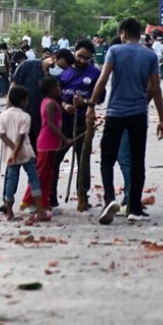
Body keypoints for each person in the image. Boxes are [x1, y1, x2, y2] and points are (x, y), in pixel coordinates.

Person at [87, 18, 163, 224]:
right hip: (138, 114)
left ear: (122, 33)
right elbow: (155, 89)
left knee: (107, 158)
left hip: (116, 113)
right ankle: (134, 208)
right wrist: (161, 119)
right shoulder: (150, 55)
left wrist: (91, 105)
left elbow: (103, 80)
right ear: (138, 33)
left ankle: (110, 200)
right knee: (138, 160)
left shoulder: (115, 51)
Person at [52, 39, 102, 212]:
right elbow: (53, 95)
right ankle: (51, 197)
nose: (81, 60)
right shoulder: (62, 71)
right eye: (80, 56)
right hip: (61, 123)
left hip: (83, 123)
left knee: (83, 161)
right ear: (74, 52)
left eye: (86, 58)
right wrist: (65, 105)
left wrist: (86, 102)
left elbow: (100, 97)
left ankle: (82, 197)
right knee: (54, 159)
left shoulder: (95, 73)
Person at [20, 76, 70, 220]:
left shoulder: (50, 102)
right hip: (46, 142)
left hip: (50, 143)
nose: (60, 90)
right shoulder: (50, 104)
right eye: (58, 87)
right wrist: (64, 138)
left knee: (48, 175)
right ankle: (28, 200)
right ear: (52, 89)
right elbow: (50, 124)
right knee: (41, 174)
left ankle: (44, 203)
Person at [0, 86, 42, 221]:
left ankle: (9, 212)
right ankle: (40, 210)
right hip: (26, 153)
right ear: (24, 101)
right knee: (34, 179)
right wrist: (18, 151)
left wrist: (12, 152)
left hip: (11, 155)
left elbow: (2, 135)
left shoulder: (4, 115)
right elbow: (22, 137)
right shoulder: (25, 116)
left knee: (11, 181)